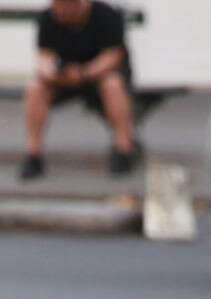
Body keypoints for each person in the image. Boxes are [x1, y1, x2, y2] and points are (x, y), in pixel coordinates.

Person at [21, 0, 136, 182]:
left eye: (66, 7)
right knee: (35, 88)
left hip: (98, 75)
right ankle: (33, 154)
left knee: (113, 85)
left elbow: (113, 55)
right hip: (64, 77)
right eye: (58, 7)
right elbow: (44, 55)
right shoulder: (48, 18)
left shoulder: (106, 16)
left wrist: (84, 73)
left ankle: (124, 149)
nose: (62, 12)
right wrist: (53, 73)